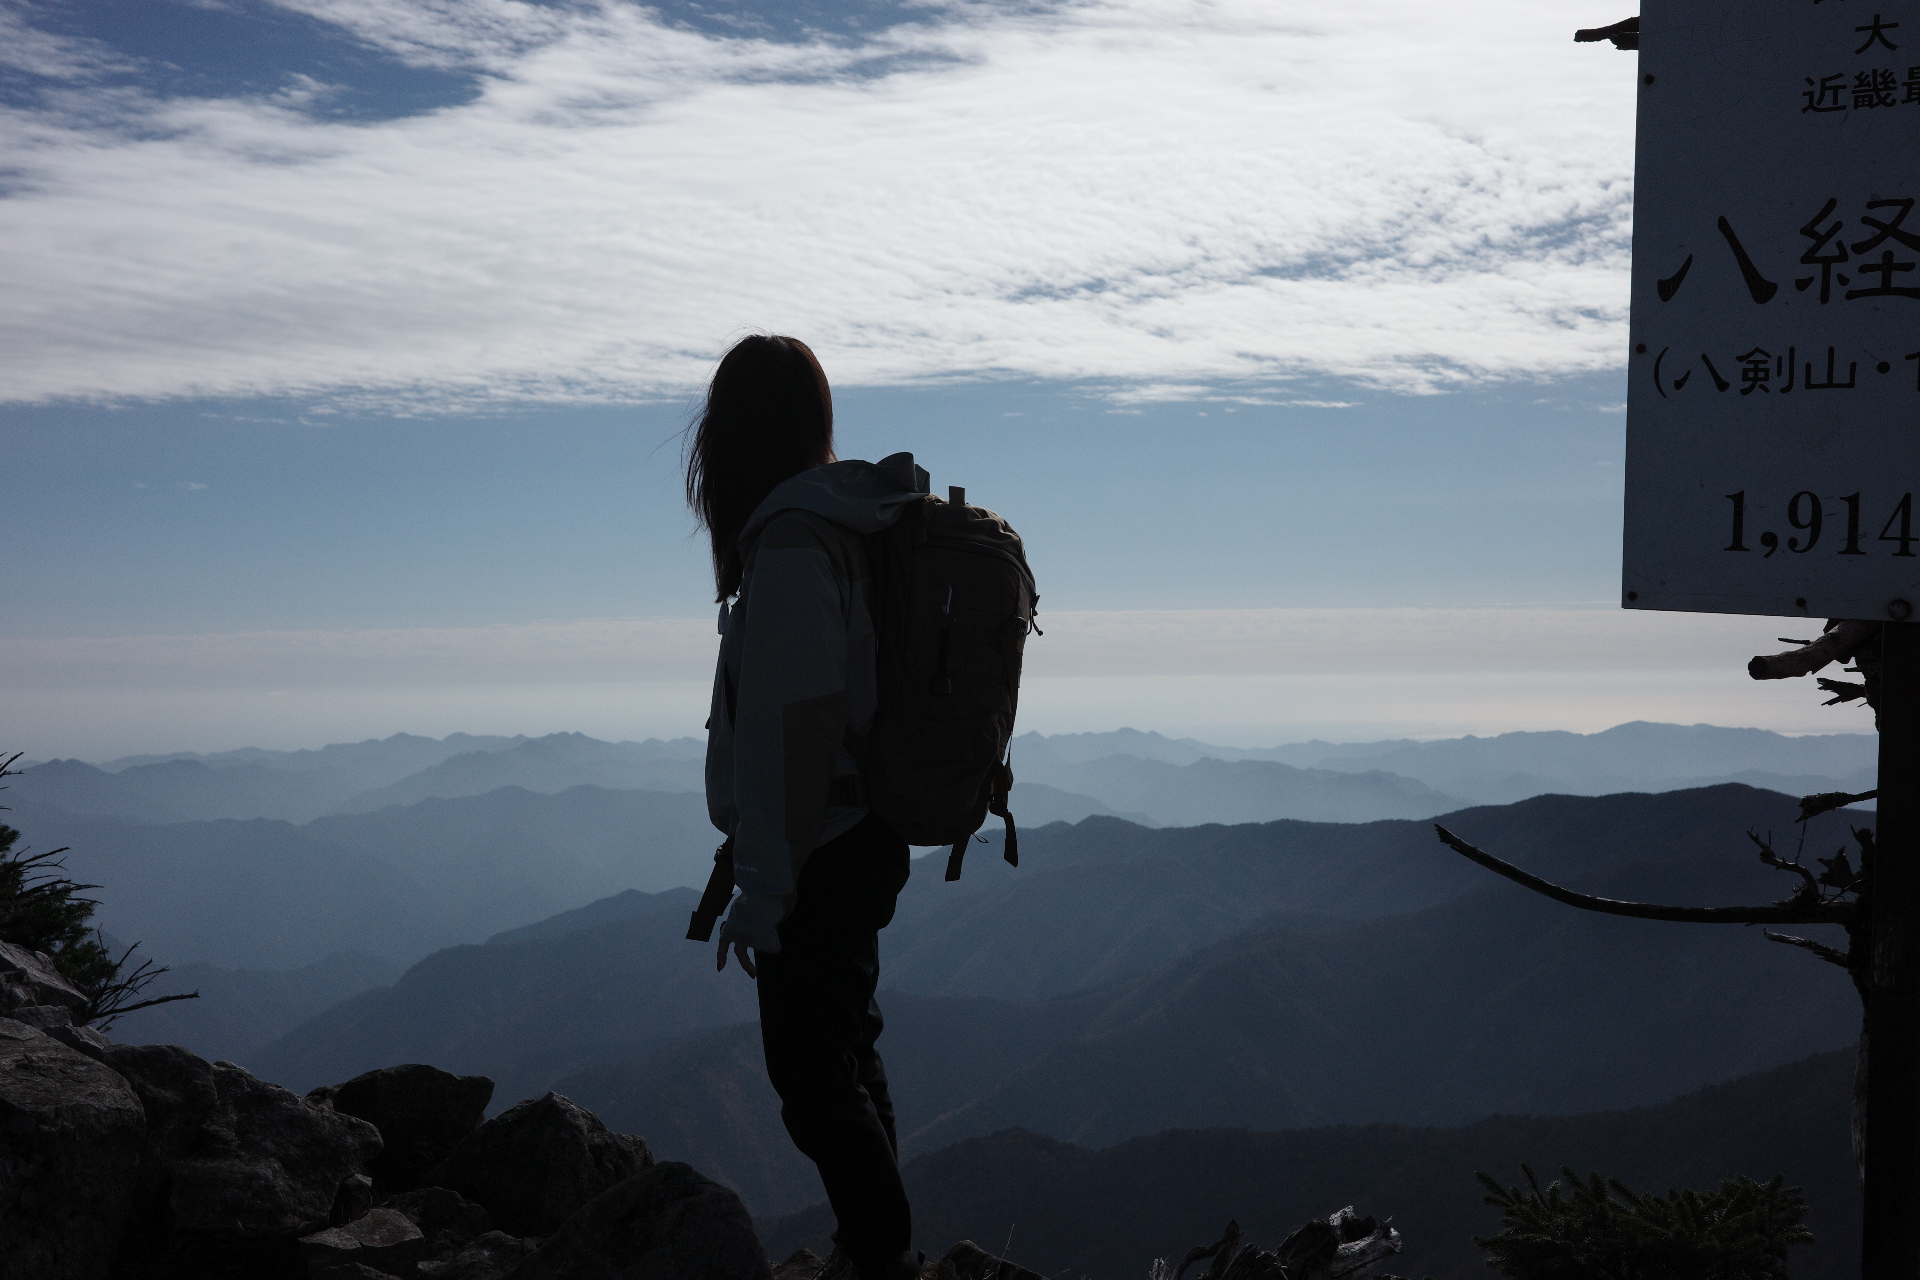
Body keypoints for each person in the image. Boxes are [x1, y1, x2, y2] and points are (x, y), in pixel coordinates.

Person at [687, 334, 926, 1280]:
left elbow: (794, 732)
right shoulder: (847, 526)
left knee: (808, 1072)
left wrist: (763, 890)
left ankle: (877, 1254)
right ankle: (878, 1248)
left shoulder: (791, 543)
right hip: (862, 832)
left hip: (821, 843)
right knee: (846, 1050)